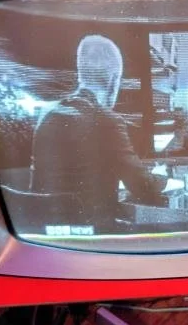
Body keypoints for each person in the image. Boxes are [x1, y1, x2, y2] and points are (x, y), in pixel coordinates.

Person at [30, 35, 165, 226]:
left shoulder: (46, 115)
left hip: (50, 235)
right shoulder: (107, 121)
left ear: (80, 73)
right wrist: (162, 177)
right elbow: (143, 187)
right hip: (93, 234)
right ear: (113, 81)